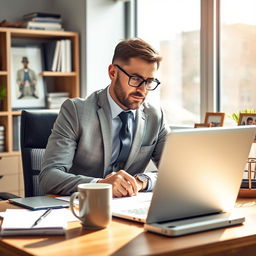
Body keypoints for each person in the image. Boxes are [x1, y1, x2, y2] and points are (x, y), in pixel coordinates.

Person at [39, 38, 170, 197]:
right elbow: (49, 177)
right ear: (113, 72)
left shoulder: (155, 116)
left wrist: (142, 181)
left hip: (127, 210)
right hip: (79, 208)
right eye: (135, 79)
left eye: (149, 81)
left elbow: (176, 173)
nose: (142, 90)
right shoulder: (75, 111)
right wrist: (100, 185)